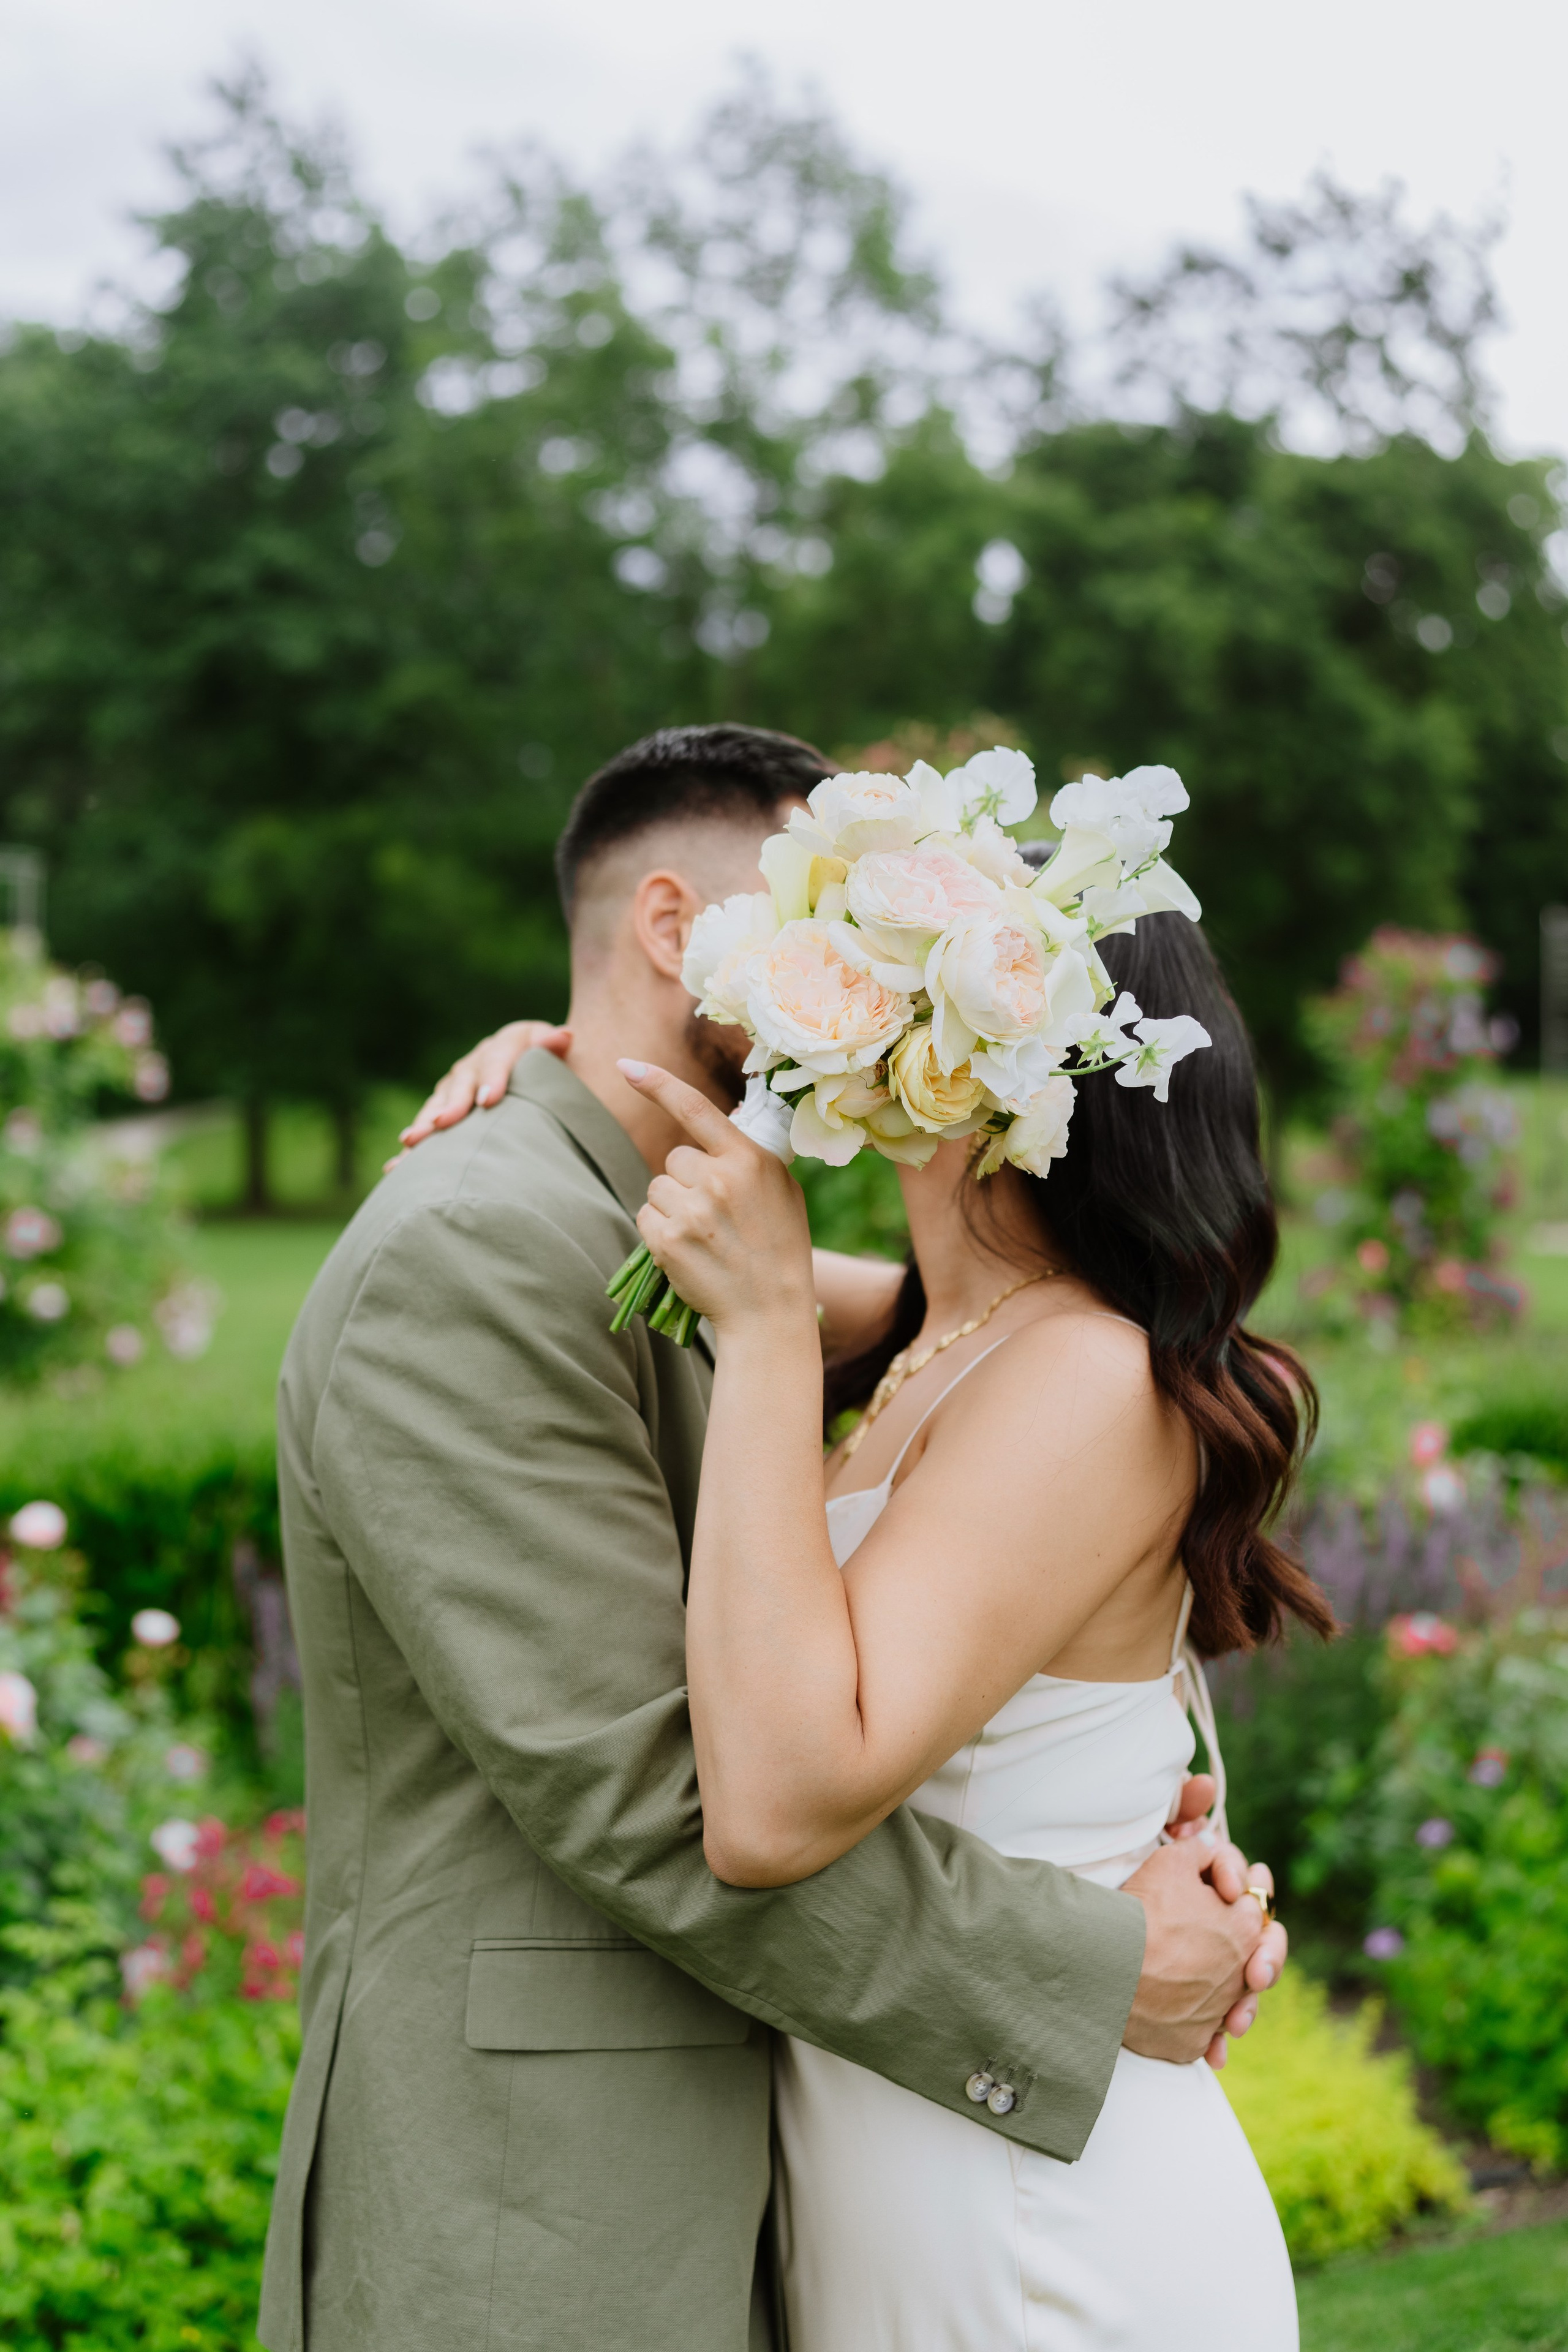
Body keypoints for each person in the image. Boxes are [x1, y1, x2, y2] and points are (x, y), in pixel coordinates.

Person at [261, 725, 1284, 2352]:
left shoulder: (804, 1279)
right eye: (821, 925)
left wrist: (1152, 1810)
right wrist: (1089, 1961)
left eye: (873, 939)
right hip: (558, 2204)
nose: (844, 977)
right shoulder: (484, 1253)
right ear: (678, 933)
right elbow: (659, 1790)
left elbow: (1060, 1462)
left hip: (941, 2191)